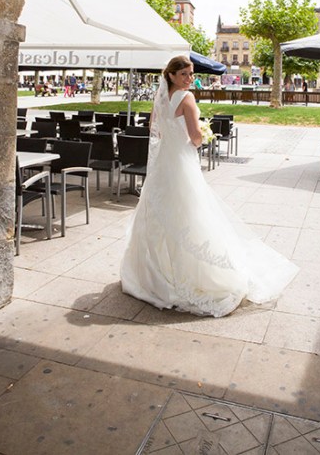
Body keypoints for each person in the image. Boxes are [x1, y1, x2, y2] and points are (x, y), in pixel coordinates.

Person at [120, 55, 298, 318]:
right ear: (171, 75)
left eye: (191, 74)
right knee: (189, 212)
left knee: (162, 212)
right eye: (184, 74)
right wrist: (203, 135)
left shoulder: (160, 97)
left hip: (163, 165)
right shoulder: (187, 98)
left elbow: (153, 128)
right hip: (181, 163)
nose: (189, 79)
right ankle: (187, 274)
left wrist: (175, 136)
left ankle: (156, 275)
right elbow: (195, 138)